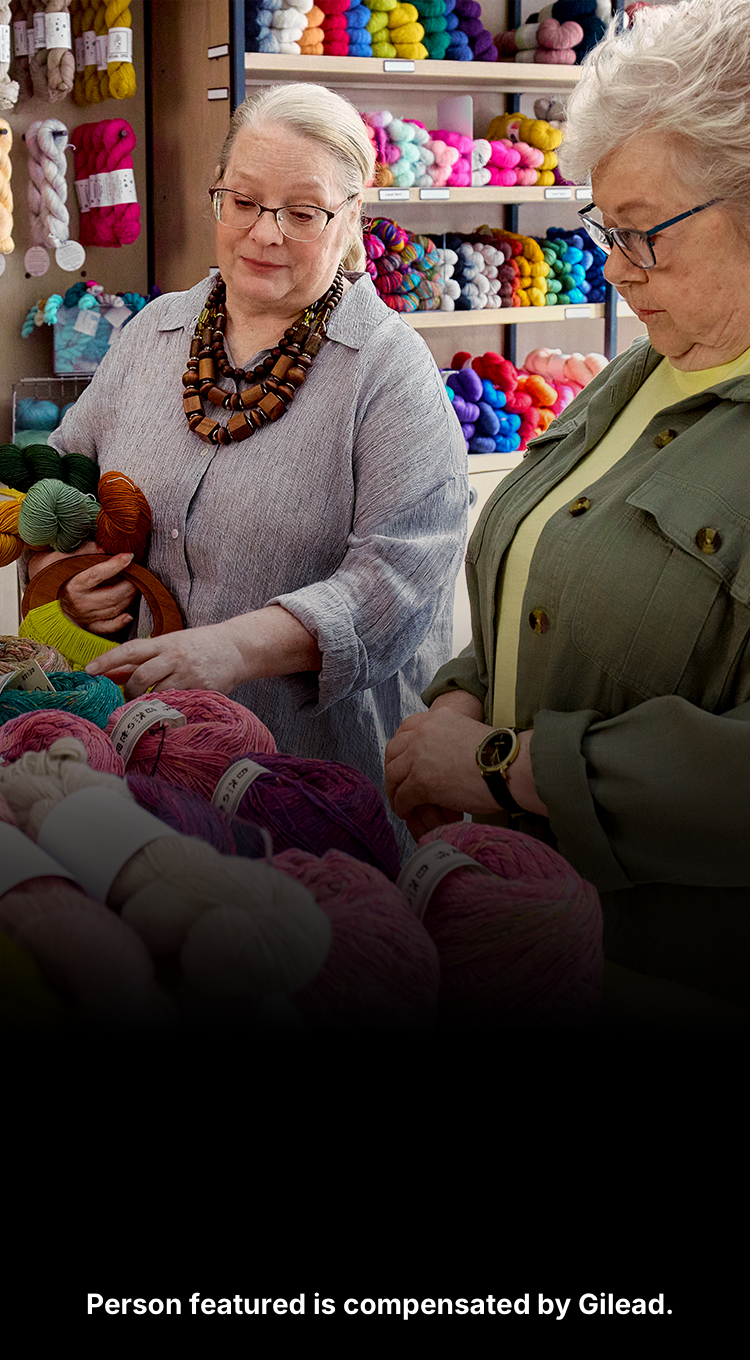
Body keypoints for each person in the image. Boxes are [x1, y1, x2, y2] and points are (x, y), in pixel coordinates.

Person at [385, 0, 750, 1010]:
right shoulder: (630, 378)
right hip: (514, 935)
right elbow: (538, 571)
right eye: (606, 232)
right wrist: (463, 692)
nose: (621, 276)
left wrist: (507, 767)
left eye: (647, 237)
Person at [27, 83, 467, 853]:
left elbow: (393, 586)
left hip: (314, 789)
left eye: (302, 212)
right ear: (217, 200)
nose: (265, 233)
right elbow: (59, 473)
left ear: (351, 218)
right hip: (152, 769)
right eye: (243, 201)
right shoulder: (152, 336)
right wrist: (69, 568)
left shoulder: (389, 374)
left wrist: (232, 649)